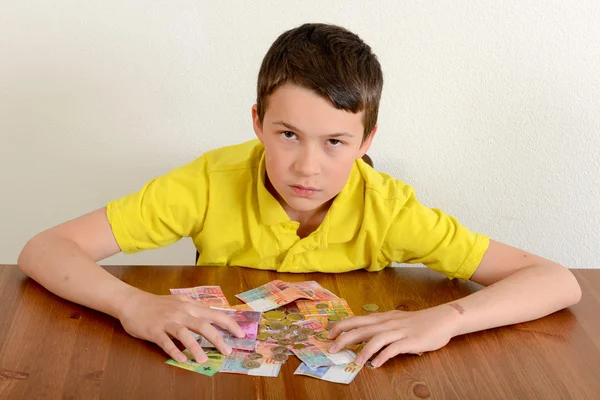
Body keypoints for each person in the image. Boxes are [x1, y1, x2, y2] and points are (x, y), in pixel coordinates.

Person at [17, 23, 581, 368]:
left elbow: (558, 280)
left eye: (335, 142)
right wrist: (133, 304)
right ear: (258, 122)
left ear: (366, 141)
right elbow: (45, 247)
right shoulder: (206, 182)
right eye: (288, 135)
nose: (307, 166)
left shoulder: (390, 209)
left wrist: (446, 319)